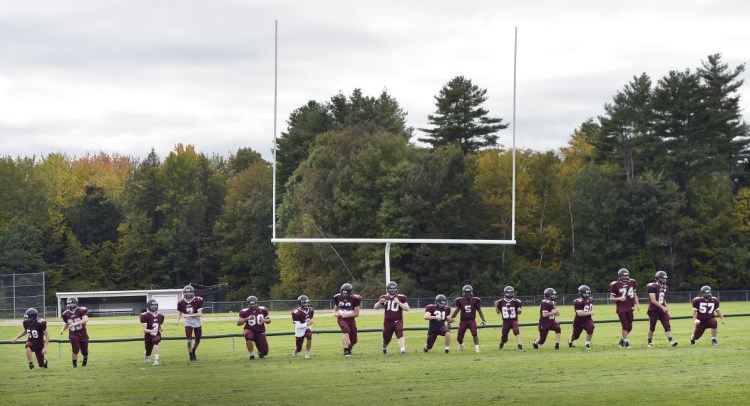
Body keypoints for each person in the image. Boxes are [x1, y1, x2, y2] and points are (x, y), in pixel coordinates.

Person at [374, 281, 410, 356]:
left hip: (398, 320)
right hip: (387, 322)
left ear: (396, 289)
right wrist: (380, 302)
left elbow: (407, 308)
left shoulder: (401, 297)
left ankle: (403, 350)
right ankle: (384, 348)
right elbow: (375, 307)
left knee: (400, 333)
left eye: (394, 288)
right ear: (388, 289)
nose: (393, 290)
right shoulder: (384, 297)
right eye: (391, 289)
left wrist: (399, 303)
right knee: (386, 339)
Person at [449, 285, 487, 352]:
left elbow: (479, 311)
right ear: (463, 293)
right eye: (466, 292)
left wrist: (484, 320)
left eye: (469, 292)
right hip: (463, 321)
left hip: (472, 320)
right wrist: (451, 319)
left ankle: (477, 348)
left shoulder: (475, 301)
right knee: (459, 337)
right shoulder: (460, 301)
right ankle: (461, 345)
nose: (468, 294)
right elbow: (456, 311)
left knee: (474, 333)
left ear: (472, 292)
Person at [609, 268, 640, 348]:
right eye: (624, 276)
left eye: (627, 276)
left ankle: (622, 341)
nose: (626, 278)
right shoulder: (615, 284)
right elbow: (611, 298)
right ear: (619, 276)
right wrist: (619, 298)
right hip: (621, 308)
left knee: (629, 327)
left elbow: (634, 294)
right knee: (625, 325)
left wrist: (637, 304)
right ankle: (626, 343)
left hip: (630, 307)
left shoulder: (632, 282)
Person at [646, 271, 678, 347]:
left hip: (662, 310)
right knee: (652, 327)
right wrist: (662, 307)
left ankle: (671, 341)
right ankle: (649, 342)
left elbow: (663, 299)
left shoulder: (665, 287)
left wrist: (667, 309)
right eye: (663, 278)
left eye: (665, 278)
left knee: (667, 325)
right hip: (653, 310)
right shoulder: (652, 286)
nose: (664, 280)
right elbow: (653, 300)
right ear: (658, 278)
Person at [175, 285, 203, 361]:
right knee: (189, 340)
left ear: (193, 292)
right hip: (188, 322)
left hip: (197, 321)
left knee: (197, 340)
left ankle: (193, 350)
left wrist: (188, 315)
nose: (189, 293)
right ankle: (191, 356)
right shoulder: (181, 302)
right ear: (184, 293)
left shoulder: (198, 300)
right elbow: (180, 312)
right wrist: (177, 320)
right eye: (187, 292)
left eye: (190, 292)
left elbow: (200, 314)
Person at [333, 283, 361, 357]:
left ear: (350, 292)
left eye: (346, 293)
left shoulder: (355, 299)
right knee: (346, 329)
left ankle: (349, 347)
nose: (344, 295)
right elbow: (335, 309)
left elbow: (357, 313)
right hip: (341, 318)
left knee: (354, 340)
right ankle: (346, 351)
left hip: (351, 319)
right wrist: (335, 314)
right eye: (343, 293)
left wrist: (347, 315)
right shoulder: (337, 297)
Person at [60, 296, 89, 367]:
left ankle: (85, 358)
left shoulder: (81, 310)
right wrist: (62, 329)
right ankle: (74, 364)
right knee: (75, 349)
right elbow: (66, 323)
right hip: (73, 334)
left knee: (84, 351)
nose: (68, 305)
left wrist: (77, 323)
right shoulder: (65, 313)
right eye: (68, 304)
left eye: (70, 303)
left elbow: (85, 319)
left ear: (75, 303)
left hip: (82, 333)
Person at [494, 286, 523, 351]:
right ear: (505, 293)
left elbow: (520, 311)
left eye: (511, 292)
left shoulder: (516, 301)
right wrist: (496, 305)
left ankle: (520, 345)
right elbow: (498, 312)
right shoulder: (501, 301)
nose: (510, 294)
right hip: (505, 321)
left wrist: (519, 310)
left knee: (516, 330)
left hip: (513, 320)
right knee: (504, 337)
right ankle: (502, 343)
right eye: (508, 293)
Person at [568, 285, 595, 350]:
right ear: (581, 293)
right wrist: (590, 312)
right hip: (578, 321)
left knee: (590, 328)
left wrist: (589, 313)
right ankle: (570, 341)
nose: (587, 294)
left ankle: (587, 343)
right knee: (576, 336)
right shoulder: (578, 301)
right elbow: (579, 314)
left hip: (587, 319)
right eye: (585, 293)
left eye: (588, 293)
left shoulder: (591, 299)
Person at [140, 299, 164, 366]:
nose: (154, 307)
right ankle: (147, 356)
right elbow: (144, 330)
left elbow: (157, 324)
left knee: (155, 341)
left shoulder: (161, 316)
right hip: (148, 336)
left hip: (156, 335)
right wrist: (152, 330)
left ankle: (156, 360)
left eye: (155, 305)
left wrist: (160, 328)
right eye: (152, 305)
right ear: (148, 306)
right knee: (148, 352)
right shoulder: (144, 315)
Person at [291, 295, 314, 359]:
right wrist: (307, 323)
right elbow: (298, 326)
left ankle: (307, 353)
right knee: (299, 349)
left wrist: (308, 323)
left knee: (309, 336)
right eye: (305, 303)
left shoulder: (310, 310)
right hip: (299, 331)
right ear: (300, 303)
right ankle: (296, 350)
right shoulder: (296, 312)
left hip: (307, 328)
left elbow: (310, 318)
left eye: (307, 302)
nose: (307, 304)